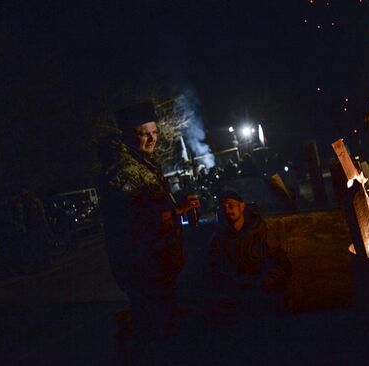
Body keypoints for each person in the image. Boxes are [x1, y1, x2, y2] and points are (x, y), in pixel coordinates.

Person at [97, 101, 200, 344]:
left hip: (158, 265)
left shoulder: (143, 163)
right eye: (144, 134)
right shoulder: (122, 171)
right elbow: (133, 223)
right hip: (143, 268)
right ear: (128, 135)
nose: (152, 139)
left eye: (154, 133)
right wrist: (176, 211)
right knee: (157, 332)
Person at [208, 191, 292, 322]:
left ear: (241, 207)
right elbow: (213, 270)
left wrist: (268, 280)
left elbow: (282, 263)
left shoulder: (259, 232)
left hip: (262, 294)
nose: (227, 211)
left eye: (231, 206)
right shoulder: (219, 239)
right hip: (235, 299)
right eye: (223, 207)